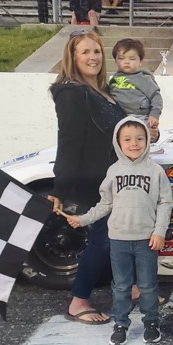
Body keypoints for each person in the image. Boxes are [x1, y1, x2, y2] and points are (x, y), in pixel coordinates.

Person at [63, 117, 172, 345]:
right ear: (118, 142)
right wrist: (82, 220)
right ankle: (121, 324)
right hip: (119, 240)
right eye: (128, 139)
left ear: (147, 140)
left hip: (146, 240)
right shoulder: (113, 171)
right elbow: (105, 204)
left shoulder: (155, 171)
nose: (134, 143)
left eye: (140, 138)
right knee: (121, 286)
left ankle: (151, 322)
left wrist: (159, 231)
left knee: (148, 285)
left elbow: (165, 203)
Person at [48, 29, 127, 325]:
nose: (93, 57)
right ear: (72, 57)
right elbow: (68, 140)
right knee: (104, 239)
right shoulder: (72, 92)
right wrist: (61, 185)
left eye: (96, 51)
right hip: (94, 180)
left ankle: (130, 287)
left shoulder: (100, 90)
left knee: (123, 235)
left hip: (114, 178)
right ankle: (79, 299)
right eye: (85, 52)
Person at [108, 39, 163, 143]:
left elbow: (156, 96)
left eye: (132, 58)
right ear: (115, 60)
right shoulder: (113, 79)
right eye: (121, 58)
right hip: (119, 118)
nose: (126, 61)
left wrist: (154, 114)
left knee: (138, 143)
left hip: (139, 117)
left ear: (140, 61)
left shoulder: (144, 78)